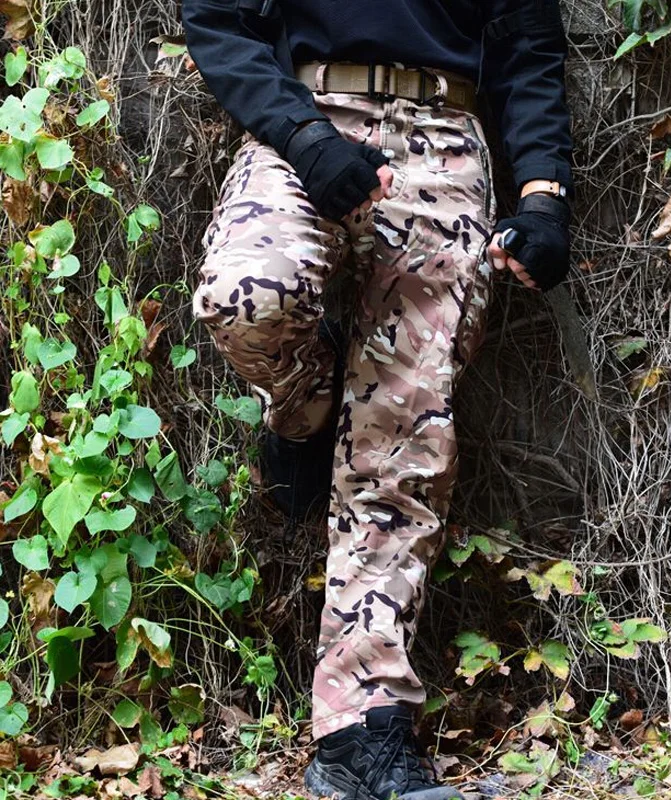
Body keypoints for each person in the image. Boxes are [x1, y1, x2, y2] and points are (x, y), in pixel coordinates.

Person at [182, 1, 573, 797]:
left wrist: (543, 196)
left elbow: (529, 47)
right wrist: (305, 137)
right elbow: (217, 18)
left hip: (445, 138)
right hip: (304, 119)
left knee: (403, 430)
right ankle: (308, 408)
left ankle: (360, 731)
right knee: (246, 296)